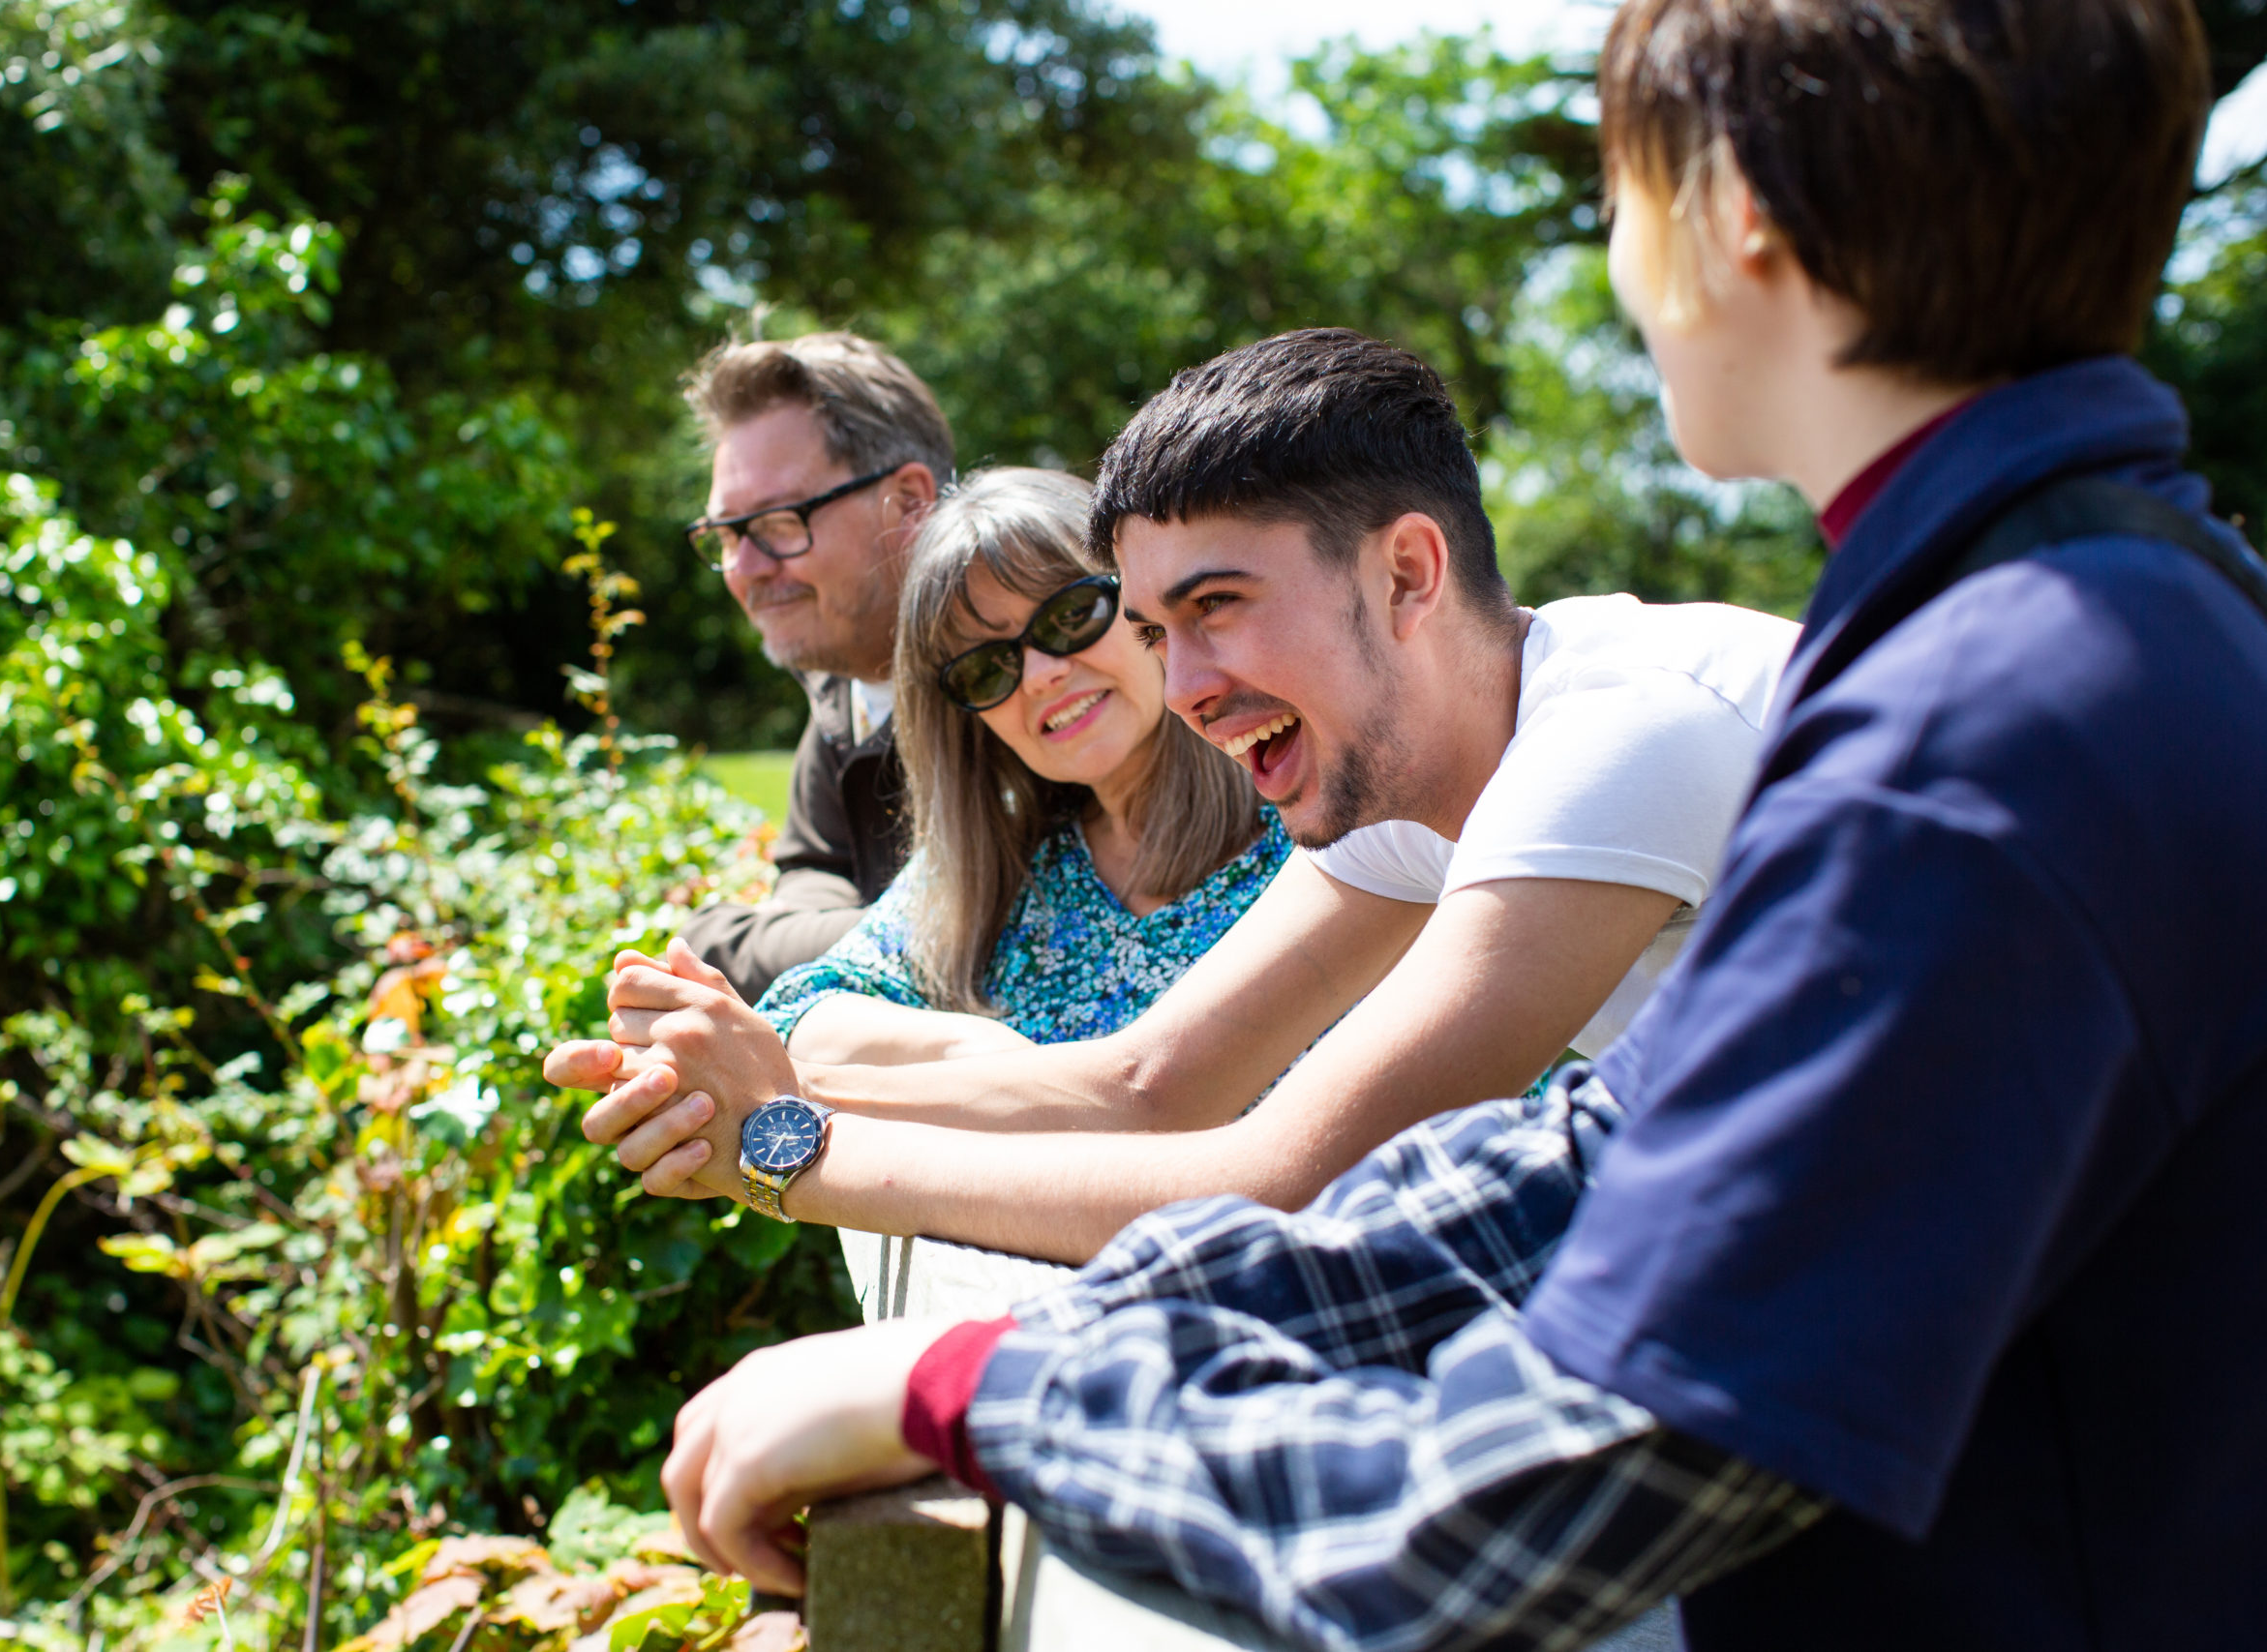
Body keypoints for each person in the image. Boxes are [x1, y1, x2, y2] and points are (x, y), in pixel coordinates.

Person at [647, 1, 2267, 1647]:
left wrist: (978, 1389)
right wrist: (1015, 1337)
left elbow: (1534, 1483)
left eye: (1617, 186)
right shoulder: (2070, 628)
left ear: (1737, 216)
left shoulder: (1977, 738)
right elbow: (1574, 1169)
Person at [548, 328, 1801, 1266]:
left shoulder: (1618, 736)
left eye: (1215, 608)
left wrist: (786, 1150)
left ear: (1409, 571)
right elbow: (1144, 1081)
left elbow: (1282, 1179)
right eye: (1153, 624)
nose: (1186, 685)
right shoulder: (1411, 791)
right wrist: (773, 1080)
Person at [750, 466, 1288, 1069]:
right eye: (987, 668)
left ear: (1146, 604)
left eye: (1069, 615)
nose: (1039, 676)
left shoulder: (1310, 816)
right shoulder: (1005, 864)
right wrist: (974, 1046)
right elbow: (800, 1011)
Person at [672, 332, 952, 1005]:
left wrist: (719, 939)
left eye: (777, 522)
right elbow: (814, 866)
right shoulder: (847, 678)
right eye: (727, 535)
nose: (745, 568)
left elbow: (985, 942)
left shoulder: (1019, 678)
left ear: (910, 502)